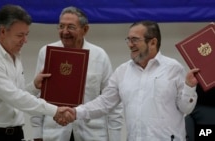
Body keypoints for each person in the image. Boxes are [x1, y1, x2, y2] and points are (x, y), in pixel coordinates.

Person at [56, 20, 200, 141]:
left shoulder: (173, 68)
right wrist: (76, 112)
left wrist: (189, 87)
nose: (130, 45)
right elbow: (104, 102)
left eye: (135, 40)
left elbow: (186, 108)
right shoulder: (122, 71)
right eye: (128, 40)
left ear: (153, 42)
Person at [0, 4, 73, 141]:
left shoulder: (15, 55)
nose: (25, 41)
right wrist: (55, 111)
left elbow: (15, 97)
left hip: (14, 134)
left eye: (26, 35)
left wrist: (34, 86)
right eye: (20, 35)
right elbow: (14, 97)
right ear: (3, 31)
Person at [30, 6, 124, 141]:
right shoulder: (46, 52)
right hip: (54, 134)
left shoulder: (99, 55)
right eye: (61, 26)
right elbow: (38, 97)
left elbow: (112, 100)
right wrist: (37, 134)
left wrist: (115, 137)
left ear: (85, 30)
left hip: (92, 134)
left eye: (71, 27)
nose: (64, 32)